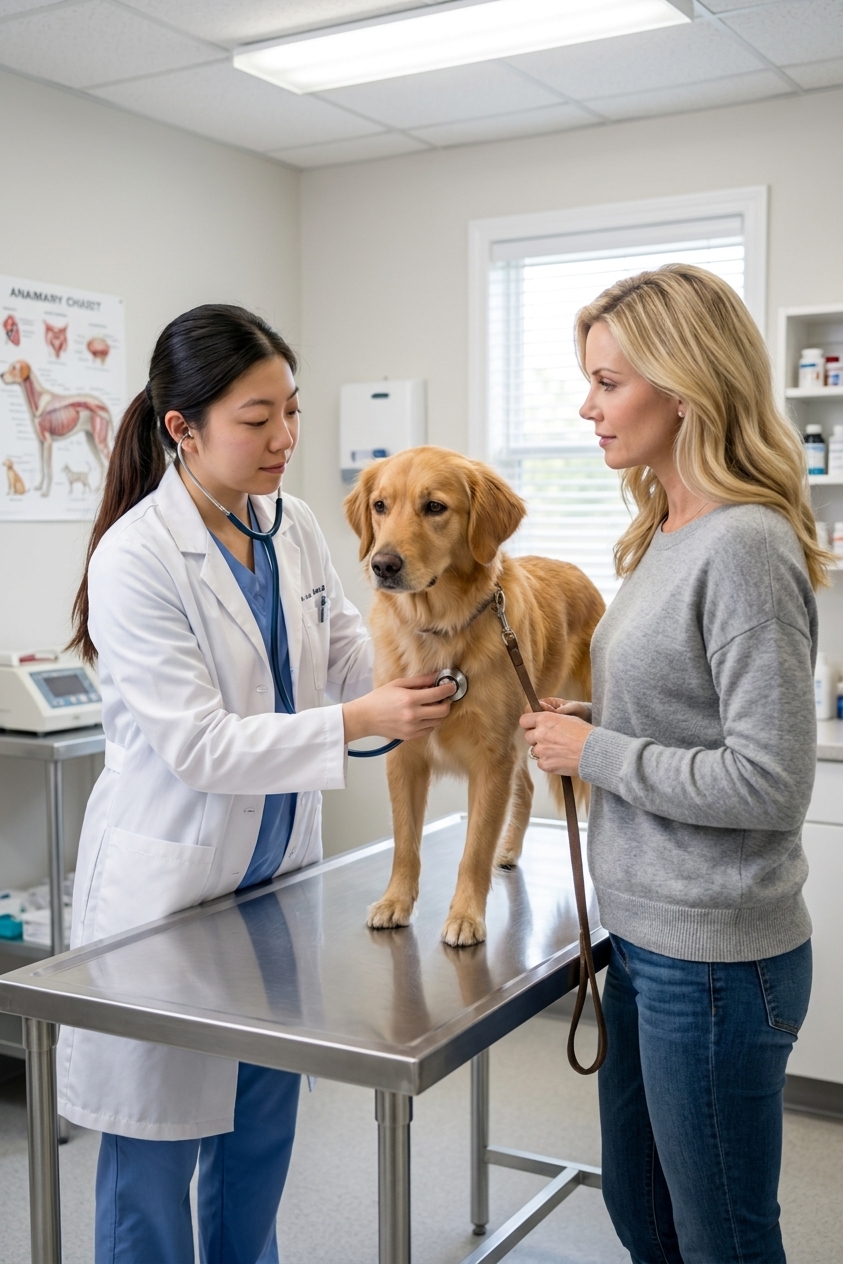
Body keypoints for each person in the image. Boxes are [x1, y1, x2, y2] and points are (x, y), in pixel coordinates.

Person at [61, 304, 455, 1264]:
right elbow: (198, 745)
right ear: (181, 429)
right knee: (151, 1168)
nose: (283, 438)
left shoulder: (293, 526)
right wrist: (362, 722)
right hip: (167, 905)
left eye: (291, 412)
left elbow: (344, 653)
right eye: (255, 418)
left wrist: (433, 654)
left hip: (273, 897)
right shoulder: (136, 557)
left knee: (255, 1149)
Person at [519, 264, 827, 1263]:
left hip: (718, 962)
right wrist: (595, 714)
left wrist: (595, 749)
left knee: (723, 1239)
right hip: (646, 942)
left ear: (685, 383)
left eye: (609, 381)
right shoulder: (664, 531)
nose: (587, 404)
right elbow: (690, 712)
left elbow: (768, 784)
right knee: (644, 1220)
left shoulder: (744, 544)